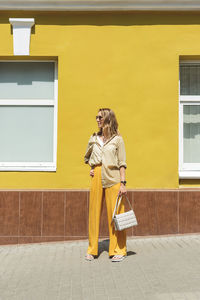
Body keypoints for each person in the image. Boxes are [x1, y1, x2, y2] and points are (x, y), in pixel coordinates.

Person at [84, 108, 127, 262]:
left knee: (115, 215)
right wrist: (92, 168)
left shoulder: (117, 140)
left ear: (108, 119)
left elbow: (122, 163)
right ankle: (92, 249)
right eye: (96, 117)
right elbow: (87, 156)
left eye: (100, 117)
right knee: (94, 214)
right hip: (96, 178)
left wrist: (123, 183)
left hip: (113, 178)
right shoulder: (94, 138)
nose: (97, 120)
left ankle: (118, 250)